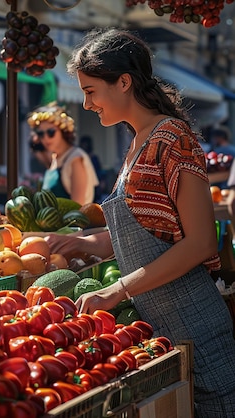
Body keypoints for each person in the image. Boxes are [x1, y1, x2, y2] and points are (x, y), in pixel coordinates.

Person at [44, 28, 235, 417]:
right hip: (165, 334)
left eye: (91, 90)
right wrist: (88, 242)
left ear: (124, 82)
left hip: (197, 330)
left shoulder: (171, 139)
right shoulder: (137, 142)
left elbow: (200, 243)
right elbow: (152, 231)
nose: (85, 103)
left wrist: (117, 289)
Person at [27, 103, 99, 205]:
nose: (46, 138)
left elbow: (78, 208)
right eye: (41, 134)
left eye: (51, 132)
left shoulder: (75, 158)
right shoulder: (55, 158)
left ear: (63, 131)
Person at [79, 134, 107, 202]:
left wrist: (102, 181)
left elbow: (99, 171)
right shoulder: (79, 159)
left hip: (95, 185)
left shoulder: (94, 158)